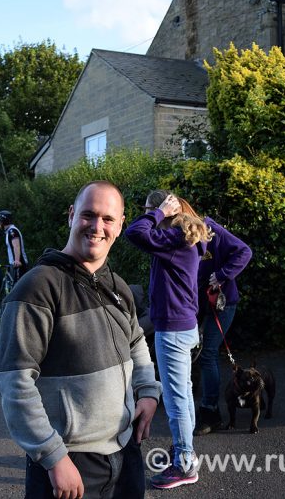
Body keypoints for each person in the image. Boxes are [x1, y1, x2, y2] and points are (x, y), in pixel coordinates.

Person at [0, 181, 161, 499]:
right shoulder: (38, 288)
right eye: (89, 215)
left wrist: (149, 393)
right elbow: (14, 383)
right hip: (68, 464)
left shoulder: (117, 285)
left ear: (121, 224)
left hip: (125, 453)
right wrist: (53, 456)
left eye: (108, 219)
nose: (97, 226)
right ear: (71, 216)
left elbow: (136, 342)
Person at [125, 189, 213, 489]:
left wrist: (158, 211)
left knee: (175, 400)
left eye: (149, 209)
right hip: (183, 326)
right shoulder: (182, 240)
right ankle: (184, 453)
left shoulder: (175, 240)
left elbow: (135, 232)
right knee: (184, 393)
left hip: (174, 330)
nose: (148, 216)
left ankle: (184, 465)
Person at [193, 216, 252, 436]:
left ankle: (211, 412)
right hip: (199, 306)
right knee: (200, 354)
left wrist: (222, 275)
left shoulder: (210, 229)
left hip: (222, 304)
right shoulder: (179, 234)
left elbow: (244, 252)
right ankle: (204, 406)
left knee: (208, 354)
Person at [0, 210, 28, 285]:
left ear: (2, 222)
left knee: (19, 290)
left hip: (19, 265)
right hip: (15, 265)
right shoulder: (9, 231)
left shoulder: (12, 232)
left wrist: (17, 260)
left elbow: (16, 246)